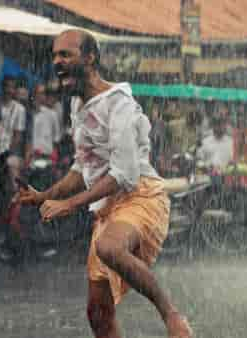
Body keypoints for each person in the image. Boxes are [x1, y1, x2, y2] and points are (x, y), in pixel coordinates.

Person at [16, 30, 192, 338]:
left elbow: (122, 174)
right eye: (55, 56)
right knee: (97, 314)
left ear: (90, 58)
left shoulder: (118, 103)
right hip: (108, 207)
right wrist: (44, 195)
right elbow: (83, 167)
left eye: (65, 55)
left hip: (141, 197)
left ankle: (173, 318)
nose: (57, 62)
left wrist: (67, 205)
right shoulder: (77, 105)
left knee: (108, 247)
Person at [0, 76, 26, 208]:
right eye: (6, 86)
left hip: (9, 151)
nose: (8, 90)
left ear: (14, 90)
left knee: (13, 182)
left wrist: (7, 154)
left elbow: (17, 136)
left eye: (11, 87)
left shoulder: (19, 109)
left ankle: (14, 215)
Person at [32, 83, 61, 159]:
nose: (41, 96)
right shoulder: (29, 114)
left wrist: (54, 154)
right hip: (32, 154)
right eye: (39, 93)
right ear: (34, 94)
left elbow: (56, 138)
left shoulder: (52, 115)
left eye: (43, 93)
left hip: (47, 154)